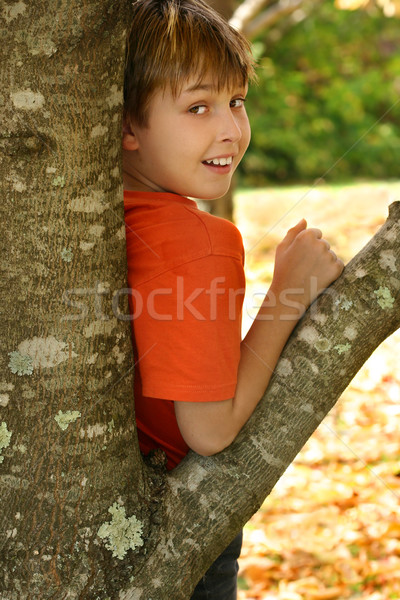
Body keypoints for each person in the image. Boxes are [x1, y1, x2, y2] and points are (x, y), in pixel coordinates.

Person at [122, 1, 344, 598]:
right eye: (198, 107)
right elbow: (210, 430)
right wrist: (289, 294)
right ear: (126, 126)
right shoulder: (199, 241)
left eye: (236, 101)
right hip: (174, 529)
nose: (231, 130)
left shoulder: (101, 220)